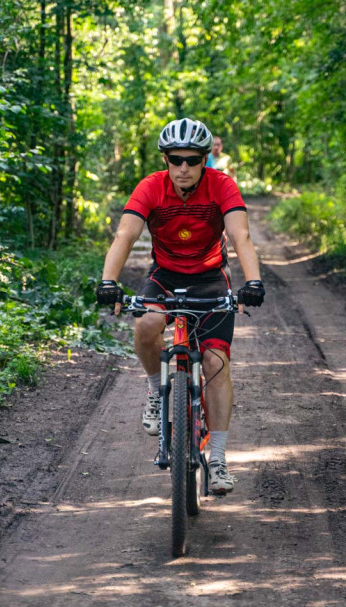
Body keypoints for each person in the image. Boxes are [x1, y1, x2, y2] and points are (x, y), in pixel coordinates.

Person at [96, 118, 264, 495]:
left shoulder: (222, 185)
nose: (183, 167)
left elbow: (241, 235)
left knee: (215, 363)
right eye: (175, 159)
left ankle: (218, 459)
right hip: (165, 275)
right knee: (145, 325)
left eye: (191, 159)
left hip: (209, 278)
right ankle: (158, 393)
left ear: (205, 159)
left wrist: (253, 281)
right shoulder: (151, 187)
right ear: (166, 159)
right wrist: (109, 281)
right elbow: (125, 234)